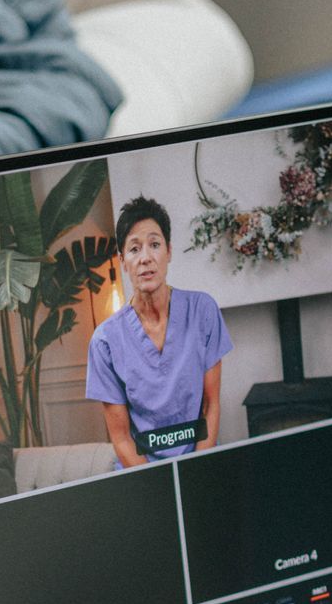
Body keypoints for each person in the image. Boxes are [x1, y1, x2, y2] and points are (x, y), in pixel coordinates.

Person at [85, 195, 233, 466]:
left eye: (154, 244)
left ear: (169, 251)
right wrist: (158, 485)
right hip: (143, 473)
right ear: (122, 261)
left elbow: (211, 406)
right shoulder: (104, 341)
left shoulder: (202, 311)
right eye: (134, 249)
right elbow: (121, 439)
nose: (145, 258)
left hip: (199, 460)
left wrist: (196, 472)